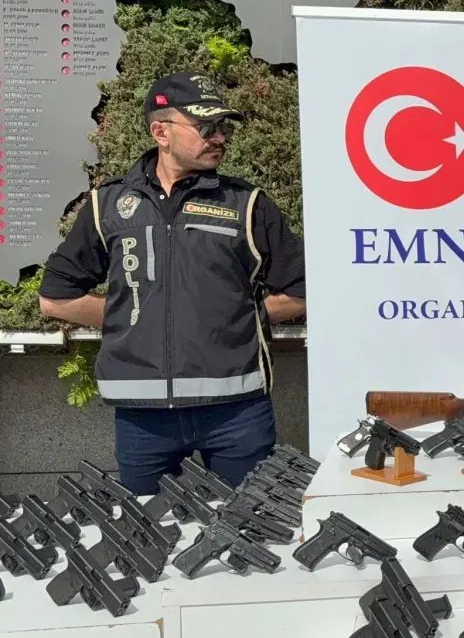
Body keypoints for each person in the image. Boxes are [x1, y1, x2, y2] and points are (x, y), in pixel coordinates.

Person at [38, 71, 307, 494]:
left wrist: (240, 315)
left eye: (223, 127)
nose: (220, 138)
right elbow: (55, 298)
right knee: (148, 529)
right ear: (160, 132)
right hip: (142, 419)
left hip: (237, 414)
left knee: (253, 524)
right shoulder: (108, 205)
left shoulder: (247, 203)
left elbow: (304, 291)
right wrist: (132, 315)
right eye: (206, 127)